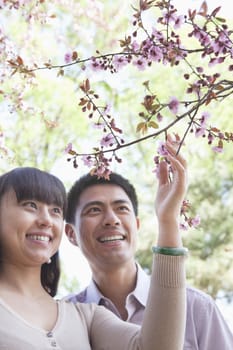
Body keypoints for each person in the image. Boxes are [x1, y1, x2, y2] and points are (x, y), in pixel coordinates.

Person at [0, 161, 187, 350]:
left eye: (55, 210)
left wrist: (168, 220)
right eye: (30, 205)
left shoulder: (86, 317)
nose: (47, 220)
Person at [65, 142, 233, 350]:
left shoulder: (196, 308)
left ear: (136, 225)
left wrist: (168, 218)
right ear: (71, 234)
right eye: (94, 210)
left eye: (121, 208)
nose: (111, 219)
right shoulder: (64, 318)